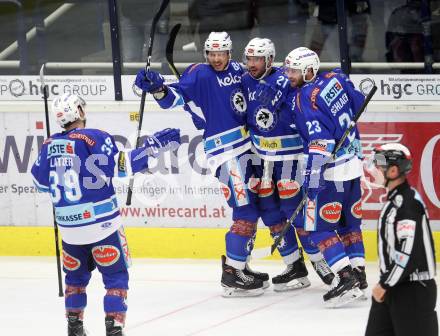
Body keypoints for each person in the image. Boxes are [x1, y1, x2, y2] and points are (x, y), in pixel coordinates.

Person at [31, 93, 181, 336]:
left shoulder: (48, 145)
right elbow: (122, 167)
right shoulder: (94, 137)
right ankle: (114, 327)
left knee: (75, 279)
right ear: (78, 112)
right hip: (102, 225)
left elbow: (41, 183)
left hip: (69, 230)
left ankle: (74, 326)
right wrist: (151, 148)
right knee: (115, 276)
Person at [135, 32, 268, 297]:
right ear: (206, 54)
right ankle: (232, 274)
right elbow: (173, 98)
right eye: (211, 53)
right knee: (245, 212)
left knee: (252, 208)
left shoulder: (241, 71)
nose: (216, 59)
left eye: (221, 53)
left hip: (248, 149)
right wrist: (158, 88)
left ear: (230, 53)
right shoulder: (199, 74)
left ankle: (241, 265)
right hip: (224, 153)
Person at [261, 47, 368, 307]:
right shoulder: (335, 79)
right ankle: (359, 274)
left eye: (294, 70)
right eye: (287, 69)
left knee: (318, 228)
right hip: (354, 166)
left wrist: (312, 176)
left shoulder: (305, 99)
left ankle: (344, 278)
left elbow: (320, 142)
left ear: (309, 70)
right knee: (349, 226)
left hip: (332, 172)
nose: (289, 75)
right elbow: (358, 102)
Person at [242, 37, 334, 290]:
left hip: (289, 158)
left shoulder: (287, 79)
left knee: (297, 212)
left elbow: (305, 101)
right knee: (271, 213)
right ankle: (294, 266)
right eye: (249, 58)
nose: (253, 63)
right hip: (260, 158)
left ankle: (320, 262)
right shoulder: (244, 79)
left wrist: (282, 92)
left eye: (258, 59)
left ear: (270, 59)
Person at [365, 143, 437, 336]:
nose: (374, 170)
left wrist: (384, 285)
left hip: (413, 292)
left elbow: (408, 254)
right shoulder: (394, 201)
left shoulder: (407, 203)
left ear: (394, 170)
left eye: (378, 165)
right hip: (392, 288)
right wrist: (386, 285)